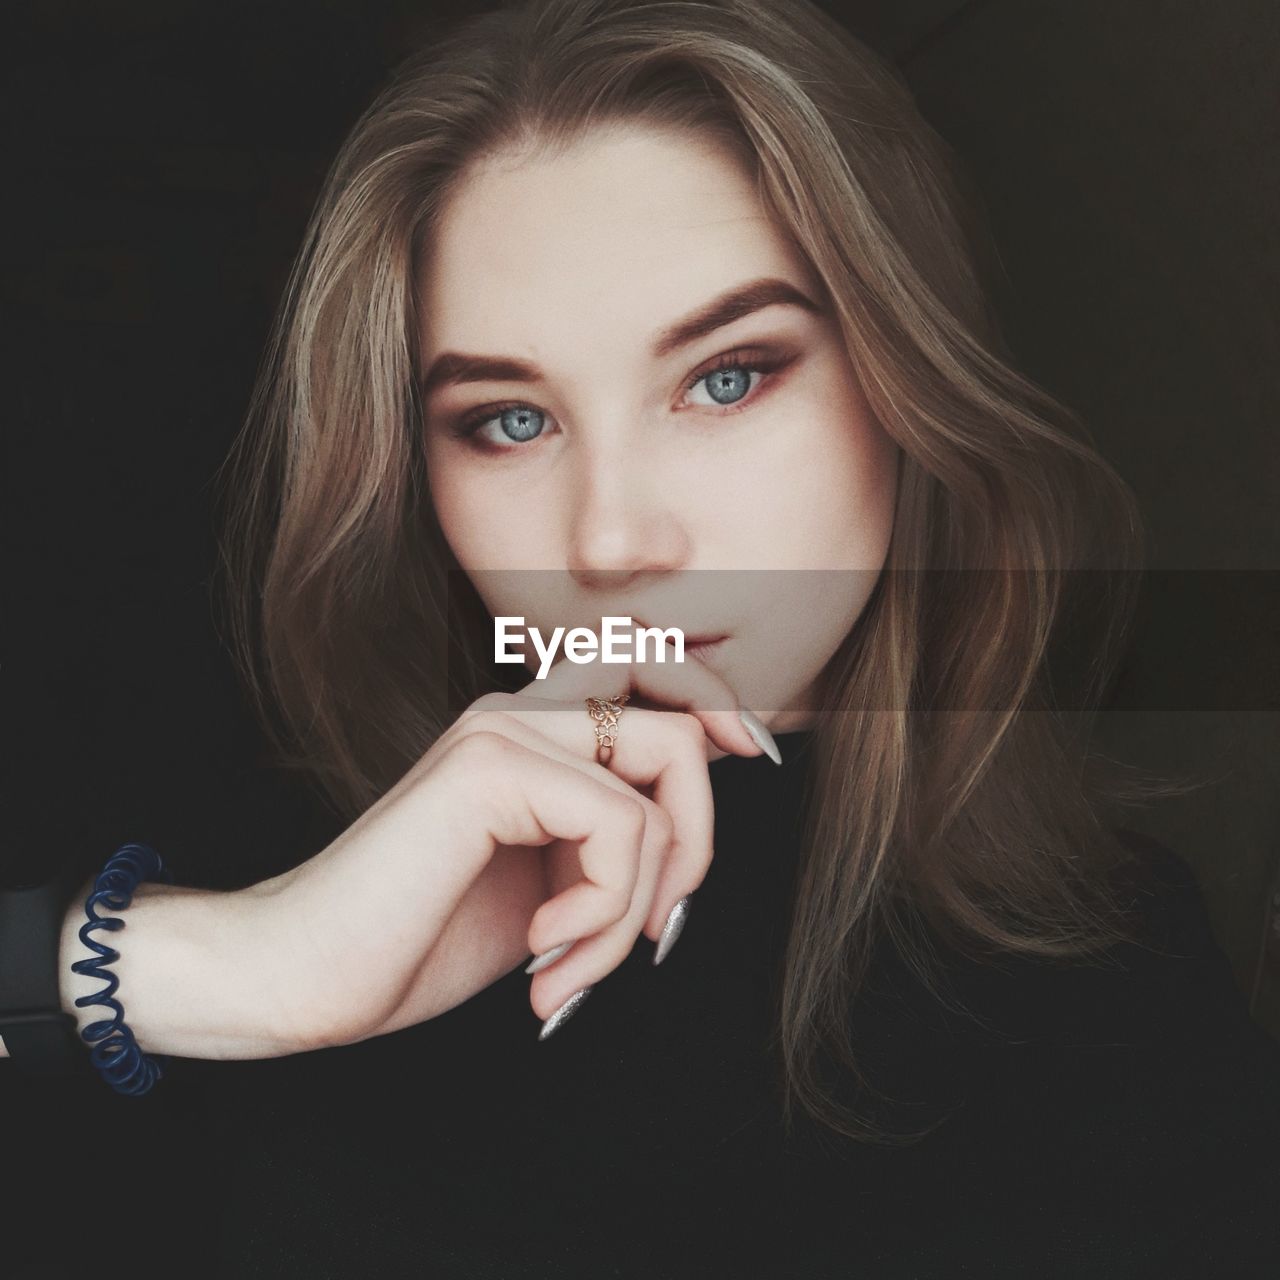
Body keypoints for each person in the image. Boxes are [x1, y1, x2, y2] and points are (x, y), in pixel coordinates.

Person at [5, 0, 1278, 1274]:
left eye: (725, 376)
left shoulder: (1122, 968)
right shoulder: (262, 846)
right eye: (507, 420)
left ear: (905, 380)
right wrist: (226, 969)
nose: (612, 541)